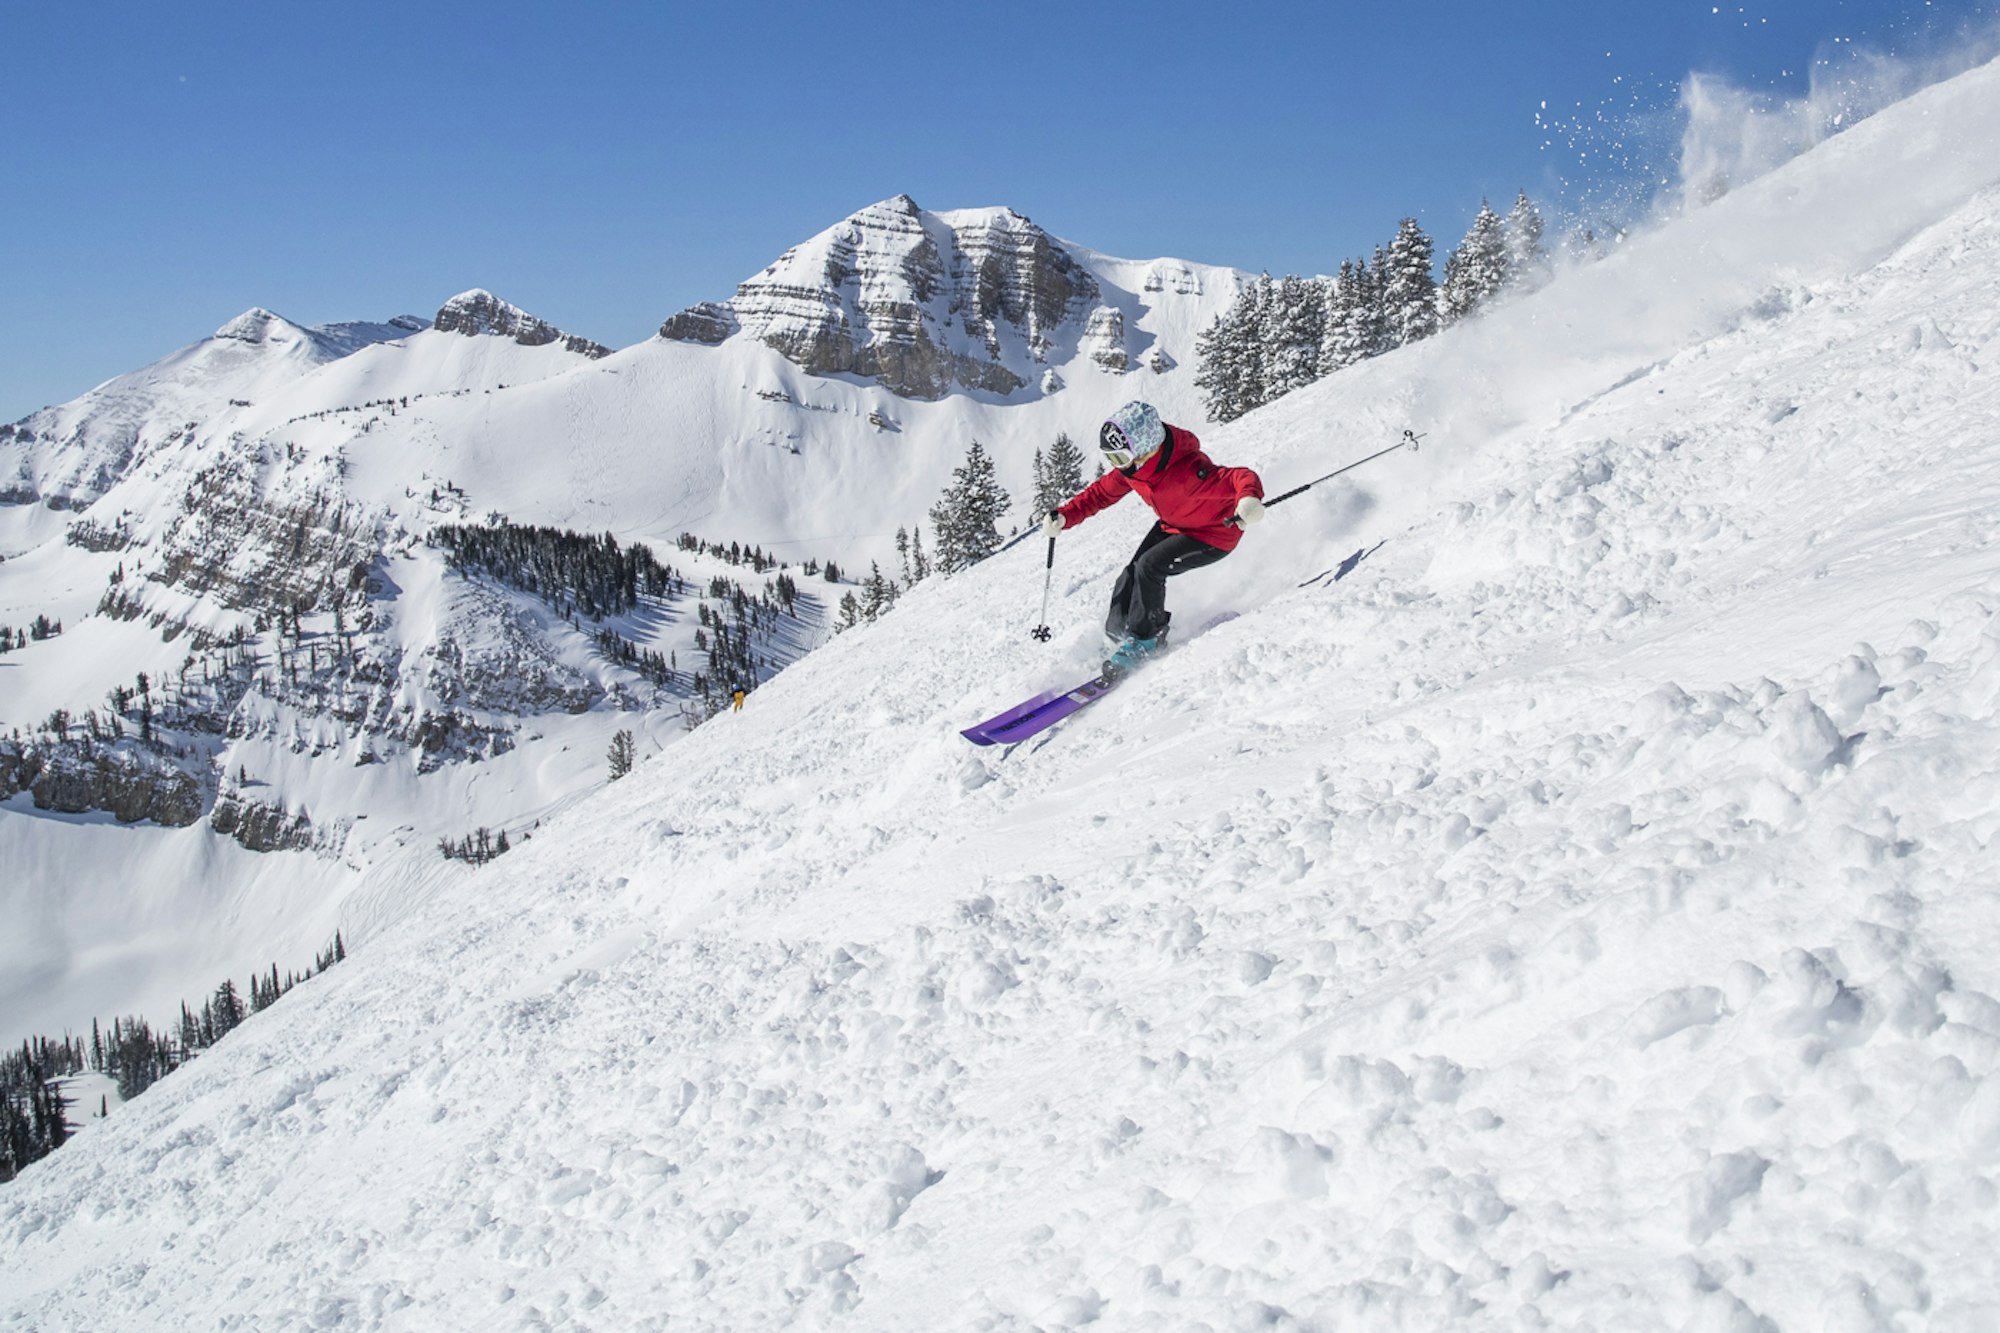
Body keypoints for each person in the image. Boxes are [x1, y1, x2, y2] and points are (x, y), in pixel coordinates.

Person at [1041, 400, 1264, 674]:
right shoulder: (1134, 470)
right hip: (1175, 524)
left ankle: (1147, 640)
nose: (1117, 466)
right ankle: (1118, 635)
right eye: (1111, 458)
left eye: (1120, 458)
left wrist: (1249, 500)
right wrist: (1065, 516)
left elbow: (1239, 477)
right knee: (1131, 574)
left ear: (1147, 449)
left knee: (1150, 567)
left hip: (1213, 533)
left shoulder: (1189, 470)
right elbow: (1100, 494)